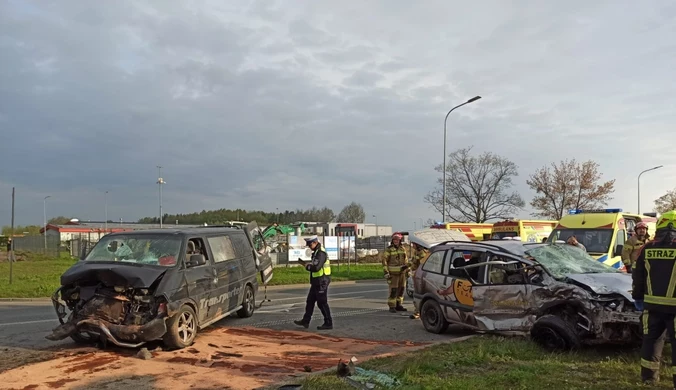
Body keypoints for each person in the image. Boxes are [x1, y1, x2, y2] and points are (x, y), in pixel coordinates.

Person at [632, 210, 676, 386]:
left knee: (651, 342)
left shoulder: (647, 248)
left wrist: (637, 298)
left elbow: (638, 275)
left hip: (652, 308)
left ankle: (649, 379)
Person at [294, 235, 333, 330]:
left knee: (322, 302)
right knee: (310, 301)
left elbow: (316, 268)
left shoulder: (321, 253)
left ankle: (328, 322)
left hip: (322, 281)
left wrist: (307, 266)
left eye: (310, 244)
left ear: (315, 242)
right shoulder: (316, 252)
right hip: (317, 281)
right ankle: (306, 321)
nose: (309, 247)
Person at [382, 233, 409, 313]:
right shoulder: (389, 250)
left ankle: (398, 305)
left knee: (401, 289)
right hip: (393, 274)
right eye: (394, 240)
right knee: (394, 290)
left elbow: (406, 260)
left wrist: (408, 270)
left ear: (400, 240)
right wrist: (386, 272)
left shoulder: (402, 249)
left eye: (397, 240)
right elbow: (384, 261)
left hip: (402, 273)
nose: (395, 241)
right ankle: (392, 306)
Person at [408, 241, 430, 319]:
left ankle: (418, 312)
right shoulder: (417, 252)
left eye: (414, 244)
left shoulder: (422, 253)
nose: (412, 245)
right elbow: (413, 262)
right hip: (416, 275)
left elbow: (422, 265)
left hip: (420, 277)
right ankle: (418, 311)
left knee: (418, 294)